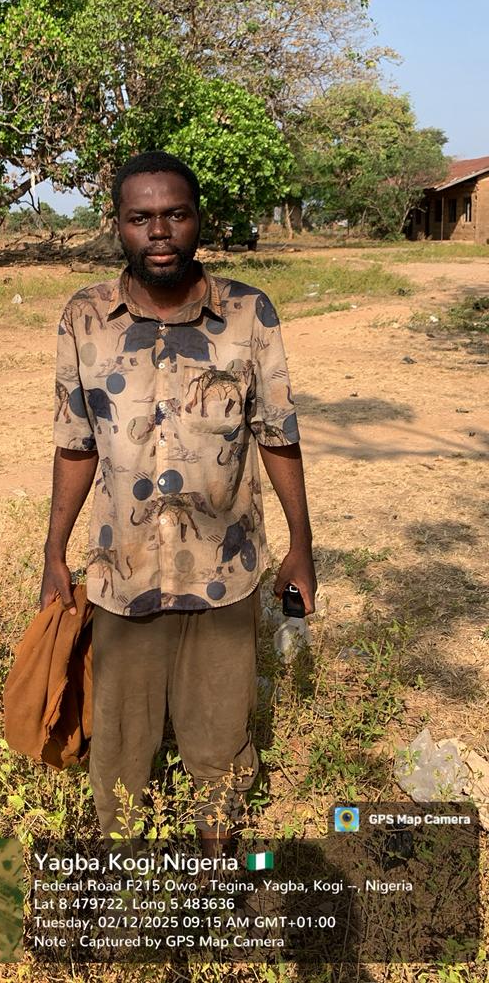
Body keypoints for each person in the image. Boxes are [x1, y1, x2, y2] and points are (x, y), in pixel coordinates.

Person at [40, 150, 316, 847]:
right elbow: (76, 443)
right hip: (122, 571)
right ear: (118, 223)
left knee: (220, 744)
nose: (159, 232)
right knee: (119, 753)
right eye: (141, 218)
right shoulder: (85, 317)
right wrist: (53, 553)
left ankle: (215, 870)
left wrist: (302, 547)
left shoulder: (249, 313)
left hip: (222, 574)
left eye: (175, 215)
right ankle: (124, 872)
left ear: (199, 220)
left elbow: (277, 434)